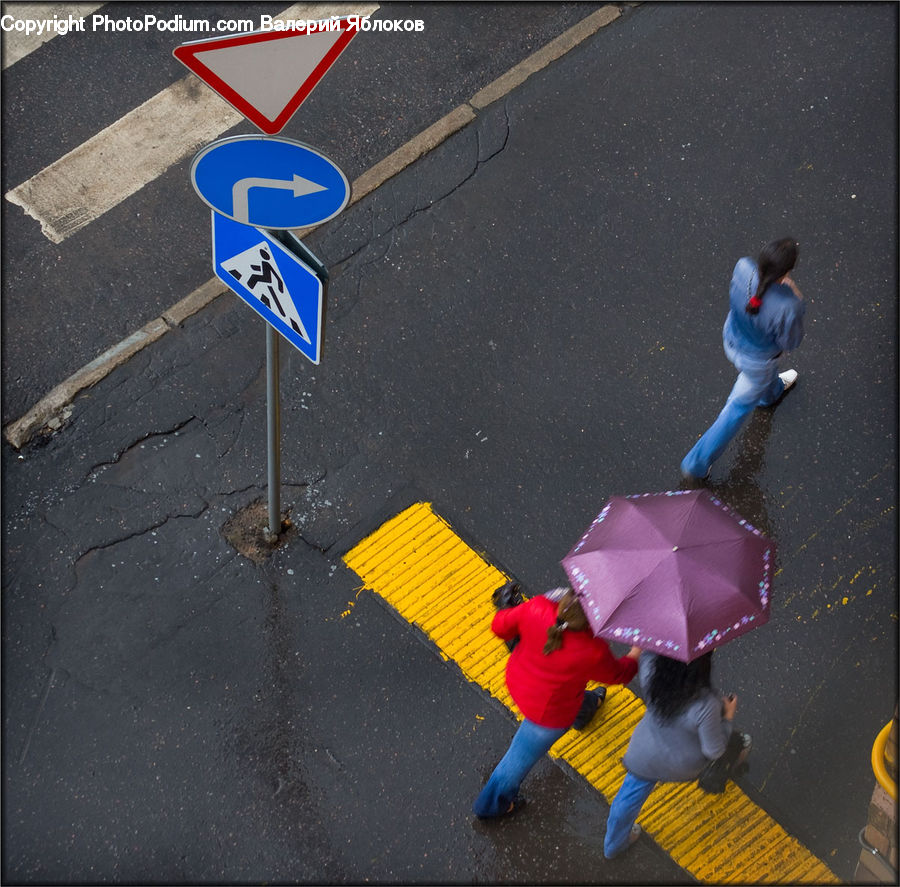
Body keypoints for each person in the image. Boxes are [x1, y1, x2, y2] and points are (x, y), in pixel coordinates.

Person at [473, 589, 641, 818]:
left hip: (520, 683)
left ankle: (586, 709)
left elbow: (499, 626)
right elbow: (620, 674)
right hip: (548, 714)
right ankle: (491, 805)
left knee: (571, 695)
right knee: (519, 757)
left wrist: (541, 602)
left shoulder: (537, 608)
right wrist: (636, 651)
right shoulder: (593, 651)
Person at [602, 651, 750, 858]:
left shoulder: (650, 668)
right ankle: (723, 772)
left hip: (644, 755)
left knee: (627, 799)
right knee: (732, 742)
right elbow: (713, 750)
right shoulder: (706, 704)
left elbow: (645, 655)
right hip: (682, 766)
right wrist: (728, 718)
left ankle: (613, 845)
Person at [681, 238, 806, 481]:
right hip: (757, 363)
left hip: (731, 340)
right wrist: (796, 297)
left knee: (763, 383)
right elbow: (790, 343)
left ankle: (770, 394)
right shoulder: (789, 305)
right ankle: (695, 463)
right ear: (787, 271)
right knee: (736, 409)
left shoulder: (742, 267)